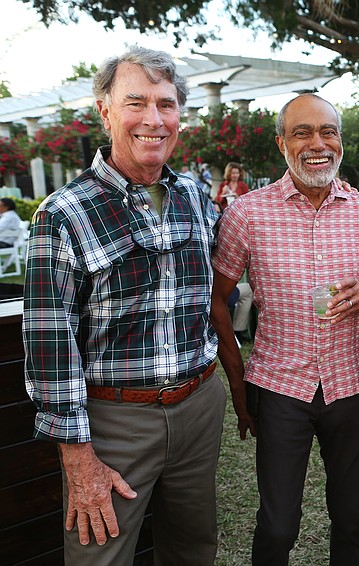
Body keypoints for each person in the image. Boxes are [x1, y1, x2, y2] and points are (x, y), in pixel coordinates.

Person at [22, 46, 226, 565]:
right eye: (136, 102)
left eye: (167, 104)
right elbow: (49, 343)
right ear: (105, 111)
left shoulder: (196, 199)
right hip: (112, 421)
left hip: (199, 404)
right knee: (100, 557)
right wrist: (79, 458)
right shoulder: (63, 212)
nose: (154, 120)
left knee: (193, 550)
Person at [209, 93, 359, 566]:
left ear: (340, 141)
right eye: (302, 132)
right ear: (281, 144)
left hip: (351, 385)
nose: (317, 144)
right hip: (278, 388)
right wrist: (238, 383)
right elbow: (217, 298)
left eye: (328, 132)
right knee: (277, 527)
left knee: (351, 519)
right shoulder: (246, 213)